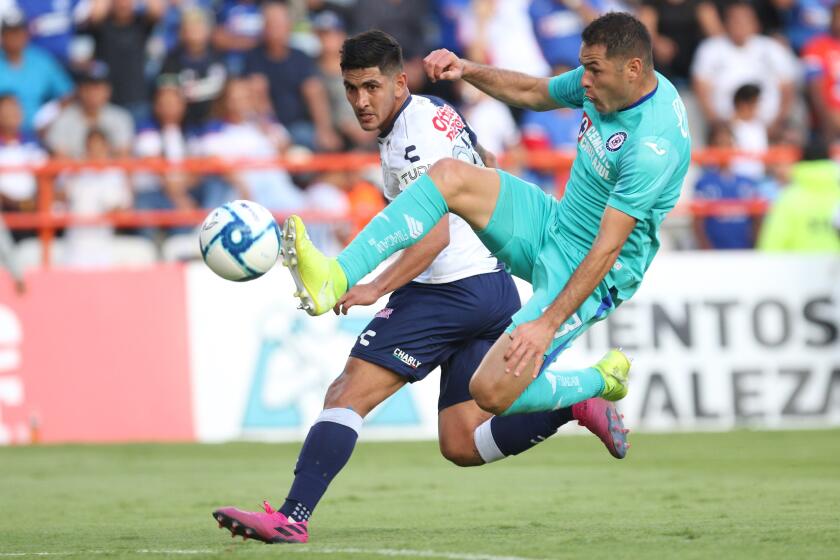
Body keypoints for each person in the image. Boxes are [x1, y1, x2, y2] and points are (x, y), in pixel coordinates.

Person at [212, 29, 630, 545]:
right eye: (350, 88)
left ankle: (293, 516)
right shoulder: (437, 113)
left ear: (398, 82)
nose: (361, 101)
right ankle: (574, 404)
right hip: (491, 285)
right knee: (461, 442)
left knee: (346, 392)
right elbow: (488, 167)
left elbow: (430, 238)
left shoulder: (411, 141)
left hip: (447, 290)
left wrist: (373, 287)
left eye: (370, 86)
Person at [281, 12, 689, 447]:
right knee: (447, 175)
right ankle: (335, 275)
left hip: (592, 269)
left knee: (489, 391)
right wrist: (467, 68)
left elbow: (608, 247)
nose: (583, 81)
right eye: (584, 67)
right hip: (553, 222)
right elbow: (534, 92)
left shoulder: (652, 145)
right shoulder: (607, 83)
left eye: (593, 70)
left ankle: (598, 382)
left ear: (633, 69)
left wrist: (546, 324)